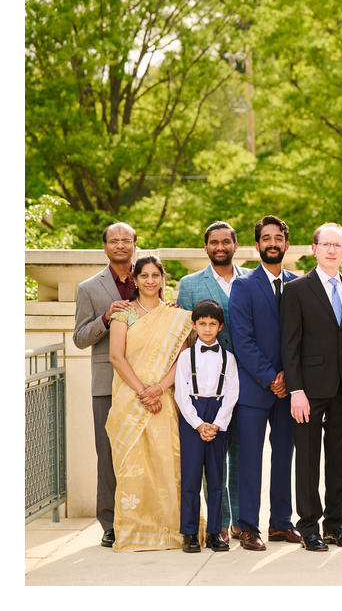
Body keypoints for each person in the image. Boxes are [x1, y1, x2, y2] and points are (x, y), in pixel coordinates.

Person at [282, 222, 342, 551]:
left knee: (340, 459)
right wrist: (296, 390)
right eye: (325, 244)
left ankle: (334, 525)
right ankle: (309, 527)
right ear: (314, 249)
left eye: (338, 245)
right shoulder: (297, 289)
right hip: (309, 391)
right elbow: (290, 344)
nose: (332, 250)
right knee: (308, 460)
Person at [105, 255, 193, 551]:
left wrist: (158, 389)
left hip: (163, 400)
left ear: (162, 278)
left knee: (166, 463)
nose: (151, 281)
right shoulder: (123, 314)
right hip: (130, 400)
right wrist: (143, 391)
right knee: (132, 464)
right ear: (135, 279)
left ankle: (170, 531)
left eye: (156, 275)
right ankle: (133, 532)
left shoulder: (176, 317)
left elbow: (182, 359)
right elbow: (116, 357)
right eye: (145, 276)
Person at [176, 220, 251, 543]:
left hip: (245, 378)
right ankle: (217, 523)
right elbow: (181, 333)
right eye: (214, 242)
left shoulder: (251, 280)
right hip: (204, 381)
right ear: (205, 247)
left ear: (235, 245)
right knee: (210, 455)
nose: (220, 247)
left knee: (240, 452)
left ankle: (241, 520)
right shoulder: (190, 284)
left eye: (226, 241)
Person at [230, 215, 301, 550]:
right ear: (257, 245)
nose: (272, 243)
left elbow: (304, 336)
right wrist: (271, 377)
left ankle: (280, 523)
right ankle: (248, 526)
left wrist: (289, 376)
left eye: (278, 238)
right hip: (254, 390)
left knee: (285, 456)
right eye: (266, 238)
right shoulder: (243, 286)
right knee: (249, 459)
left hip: (290, 391)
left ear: (286, 243)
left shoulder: (300, 284)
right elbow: (242, 339)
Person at [72, 222, 137, 548]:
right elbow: (80, 338)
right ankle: (110, 523)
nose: (121, 245)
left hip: (145, 382)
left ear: (135, 244)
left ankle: (142, 517)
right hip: (106, 385)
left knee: (145, 452)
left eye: (126, 240)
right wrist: (104, 319)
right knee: (108, 455)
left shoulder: (150, 278)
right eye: (115, 240)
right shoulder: (89, 288)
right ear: (105, 246)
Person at [174, 299, 239, 553]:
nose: (208, 329)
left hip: (218, 418)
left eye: (213, 324)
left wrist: (217, 423)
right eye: (203, 324)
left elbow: (232, 393)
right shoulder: (185, 358)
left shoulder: (229, 358)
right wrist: (200, 424)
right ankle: (189, 533)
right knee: (190, 478)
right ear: (194, 325)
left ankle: (215, 532)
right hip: (193, 417)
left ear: (220, 326)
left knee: (215, 480)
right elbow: (181, 393)